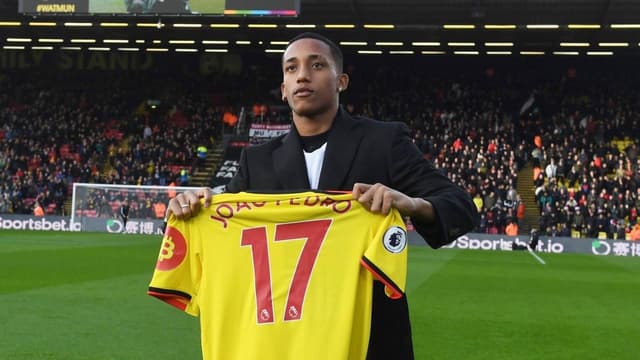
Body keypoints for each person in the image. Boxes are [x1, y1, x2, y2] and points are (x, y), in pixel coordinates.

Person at [165, 32, 477, 359]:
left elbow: (460, 206)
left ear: (341, 80)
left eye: (316, 65)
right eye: (291, 68)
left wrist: (409, 203)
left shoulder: (383, 142)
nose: (302, 75)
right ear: (284, 90)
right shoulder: (256, 162)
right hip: (283, 344)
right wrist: (186, 209)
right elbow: (210, 232)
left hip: (370, 342)